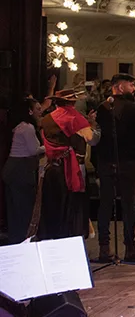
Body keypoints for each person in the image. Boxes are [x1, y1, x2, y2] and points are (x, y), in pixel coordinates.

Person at [95, 74, 135, 262]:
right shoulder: (134, 108)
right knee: (128, 204)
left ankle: (104, 248)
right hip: (127, 161)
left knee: (105, 204)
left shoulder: (102, 107)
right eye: (130, 85)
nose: (134, 89)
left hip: (105, 160)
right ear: (119, 87)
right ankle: (130, 247)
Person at [35, 90, 93, 240]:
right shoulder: (74, 117)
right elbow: (91, 138)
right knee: (71, 209)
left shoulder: (46, 119)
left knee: (51, 209)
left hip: (51, 169)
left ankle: (50, 243)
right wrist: (93, 124)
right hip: (69, 170)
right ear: (72, 103)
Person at [3, 98, 44, 243]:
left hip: (14, 169)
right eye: (38, 109)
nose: (41, 111)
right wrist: (51, 147)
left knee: (15, 210)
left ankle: (18, 240)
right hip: (20, 170)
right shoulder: (28, 128)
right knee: (23, 209)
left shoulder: (22, 126)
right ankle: (22, 241)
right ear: (30, 111)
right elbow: (34, 150)